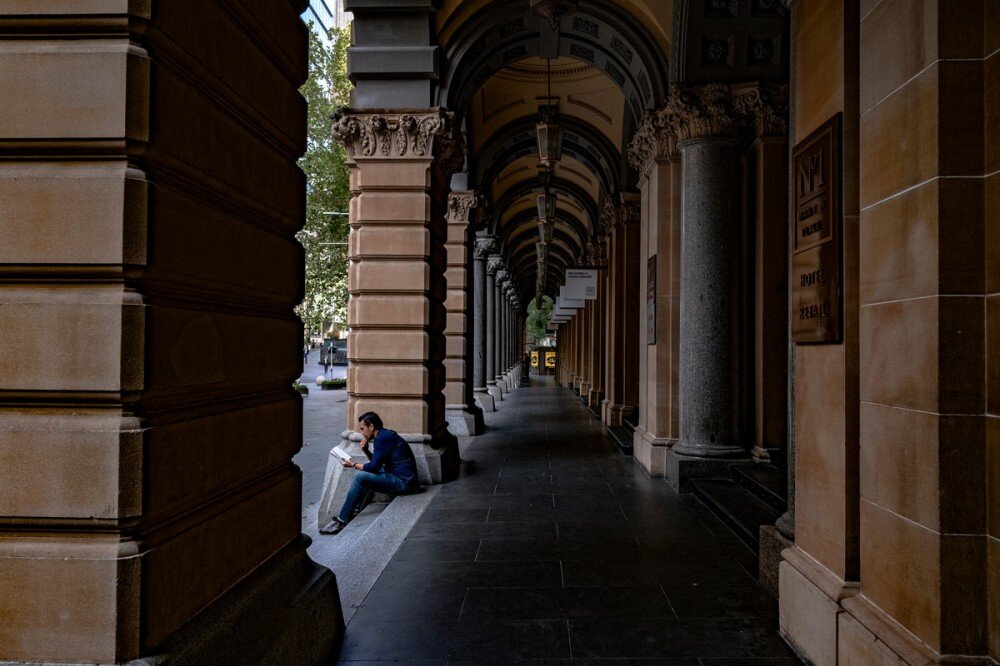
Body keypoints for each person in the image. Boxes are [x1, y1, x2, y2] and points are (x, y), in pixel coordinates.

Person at [321, 411, 420, 534]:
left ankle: (342, 520)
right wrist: (365, 450)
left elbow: (373, 467)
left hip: (405, 483)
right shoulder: (384, 435)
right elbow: (376, 465)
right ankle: (355, 509)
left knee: (359, 477)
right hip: (399, 476)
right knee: (364, 476)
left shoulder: (382, 439)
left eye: (363, 429)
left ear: (371, 427)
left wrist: (353, 465)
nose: (362, 433)